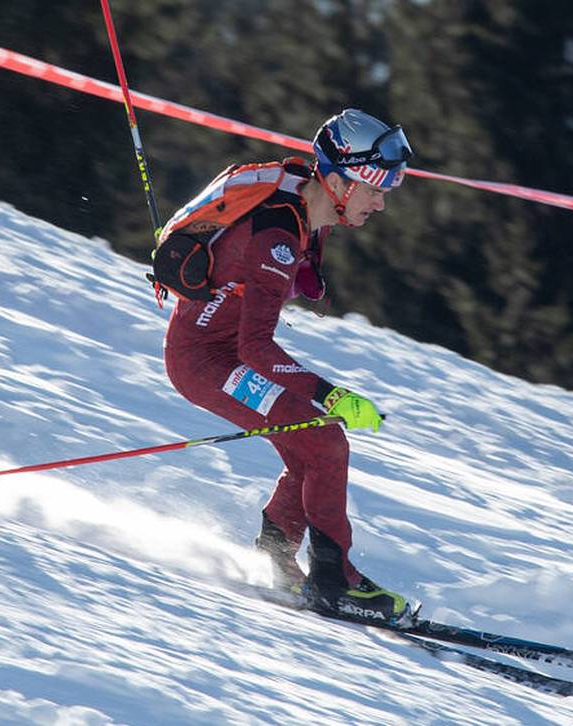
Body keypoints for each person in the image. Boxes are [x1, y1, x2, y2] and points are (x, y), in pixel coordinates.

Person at [162, 109, 415, 625]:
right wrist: (332, 394)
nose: (381, 203)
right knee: (325, 441)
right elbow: (256, 348)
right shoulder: (277, 235)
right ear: (338, 182)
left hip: (226, 353)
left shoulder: (303, 206)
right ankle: (335, 583)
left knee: (312, 446)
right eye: (376, 189)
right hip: (205, 361)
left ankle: (278, 561)